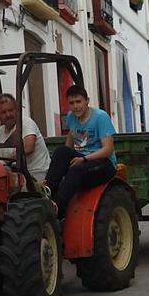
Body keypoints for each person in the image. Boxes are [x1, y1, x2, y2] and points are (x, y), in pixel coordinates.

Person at [46, 84, 116, 218]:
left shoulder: (100, 117)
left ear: (87, 101)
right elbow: (70, 143)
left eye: (79, 101)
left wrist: (83, 159)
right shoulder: (71, 117)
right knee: (61, 151)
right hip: (83, 159)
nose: (75, 106)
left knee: (77, 169)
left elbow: (108, 149)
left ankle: (57, 204)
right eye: (71, 103)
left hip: (104, 163)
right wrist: (62, 162)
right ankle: (48, 189)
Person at [0, 93, 49, 185]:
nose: (8, 115)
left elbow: (28, 147)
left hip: (36, 173)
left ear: (16, 110)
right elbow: (0, 159)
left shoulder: (25, 122)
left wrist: (7, 161)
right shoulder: (0, 132)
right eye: (3, 112)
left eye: (10, 110)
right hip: (15, 174)